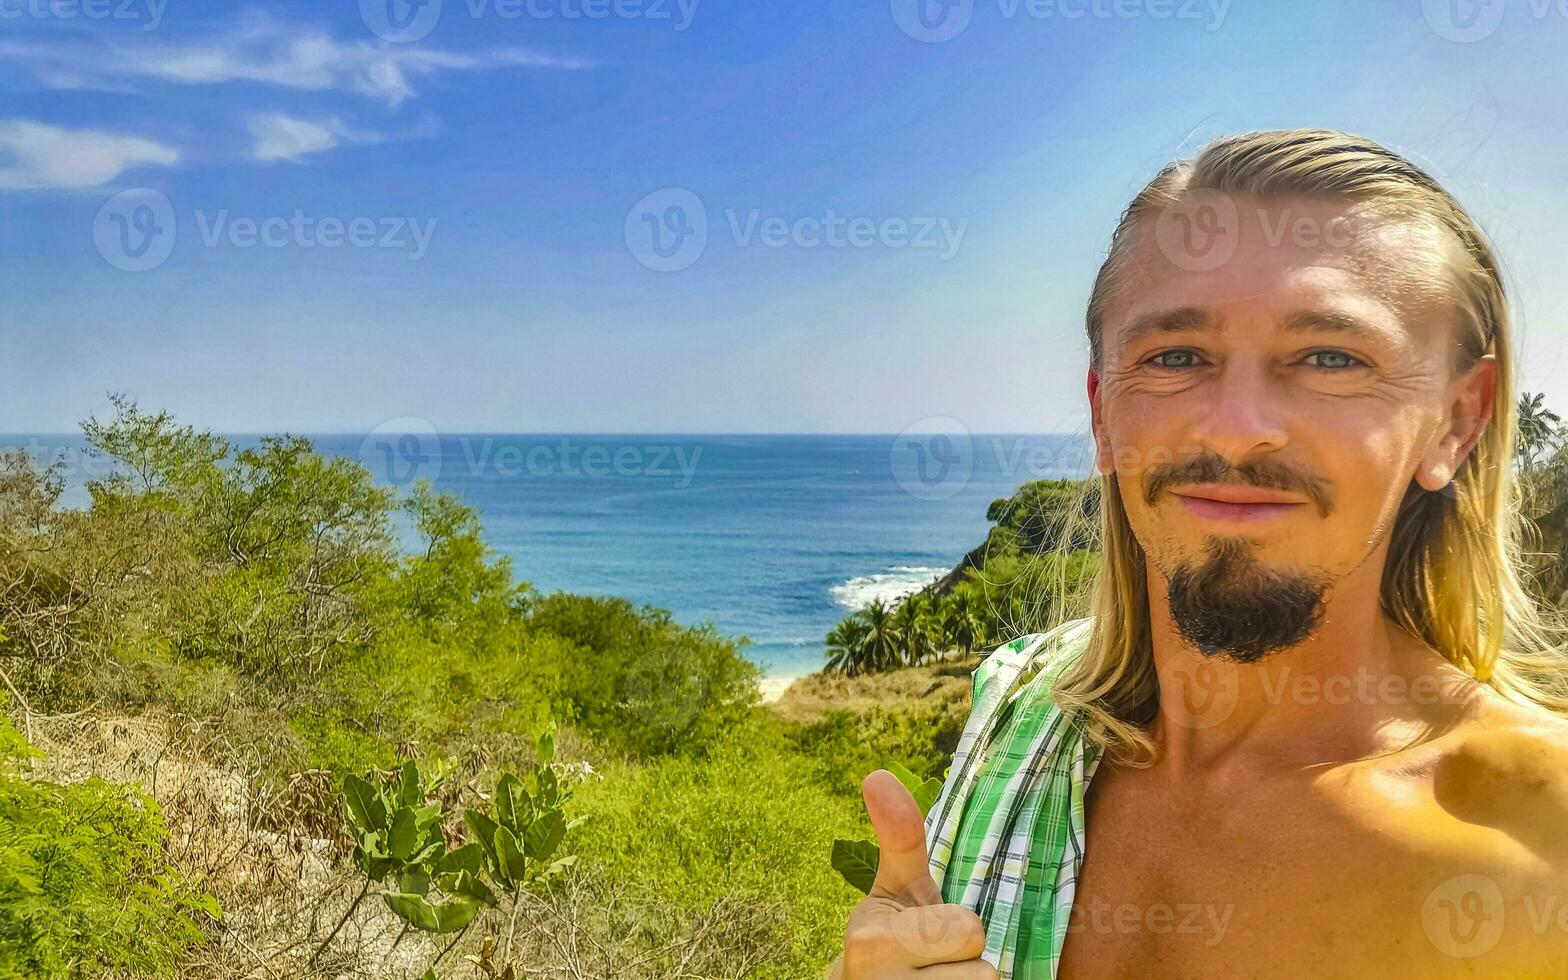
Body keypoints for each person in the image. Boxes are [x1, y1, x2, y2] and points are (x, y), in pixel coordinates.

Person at [829, 129, 1568, 978]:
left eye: (1331, 358)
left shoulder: (1539, 846)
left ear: (1457, 421)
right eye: (1176, 357)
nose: (1236, 426)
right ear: (1104, 414)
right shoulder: (1021, 714)